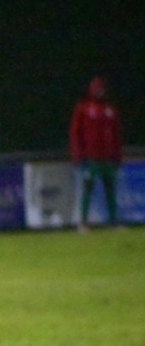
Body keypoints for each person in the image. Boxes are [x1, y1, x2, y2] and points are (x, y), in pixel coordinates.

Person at [69, 76, 123, 231]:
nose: (99, 92)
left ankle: (113, 222)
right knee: (87, 188)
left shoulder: (110, 110)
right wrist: (77, 155)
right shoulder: (83, 108)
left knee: (110, 189)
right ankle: (83, 223)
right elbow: (75, 132)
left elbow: (117, 134)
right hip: (91, 158)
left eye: (101, 89)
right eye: (97, 89)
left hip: (108, 158)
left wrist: (117, 156)